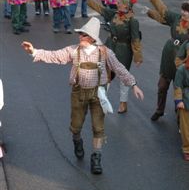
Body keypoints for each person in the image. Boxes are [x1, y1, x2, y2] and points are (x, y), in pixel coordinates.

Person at [21, 18, 144, 174]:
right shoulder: (74, 50)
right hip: (78, 93)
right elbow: (54, 56)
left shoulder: (105, 52)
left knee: (98, 128)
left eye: (84, 35)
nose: (80, 37)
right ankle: (77, 141)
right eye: (80, 34)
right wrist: (34, 51)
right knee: (76, 126)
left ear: (92, 38)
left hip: (98, 94)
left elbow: (119, 68)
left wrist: (133, 85)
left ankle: (96, 158)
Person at [147, 0, 189, 121]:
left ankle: (180, 114)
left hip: (184, 57)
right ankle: (159, 109)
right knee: (162, 85)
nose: (183, 12)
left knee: (180, 87)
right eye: (183, 9)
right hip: (169, 54)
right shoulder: (176, 18)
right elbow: (164, 11)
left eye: (187, 11)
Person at [87, 0, 143, 114]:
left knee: (123, 76)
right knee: (106, 73)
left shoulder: (133, 21)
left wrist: (138, 57)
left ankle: (123, 103)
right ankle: (102, 100)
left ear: (126, 6)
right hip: (110, 46)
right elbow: (100, 9)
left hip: (124, 50)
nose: (117, 3)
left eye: (119, 2)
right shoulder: (114, 14)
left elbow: (135, 39)